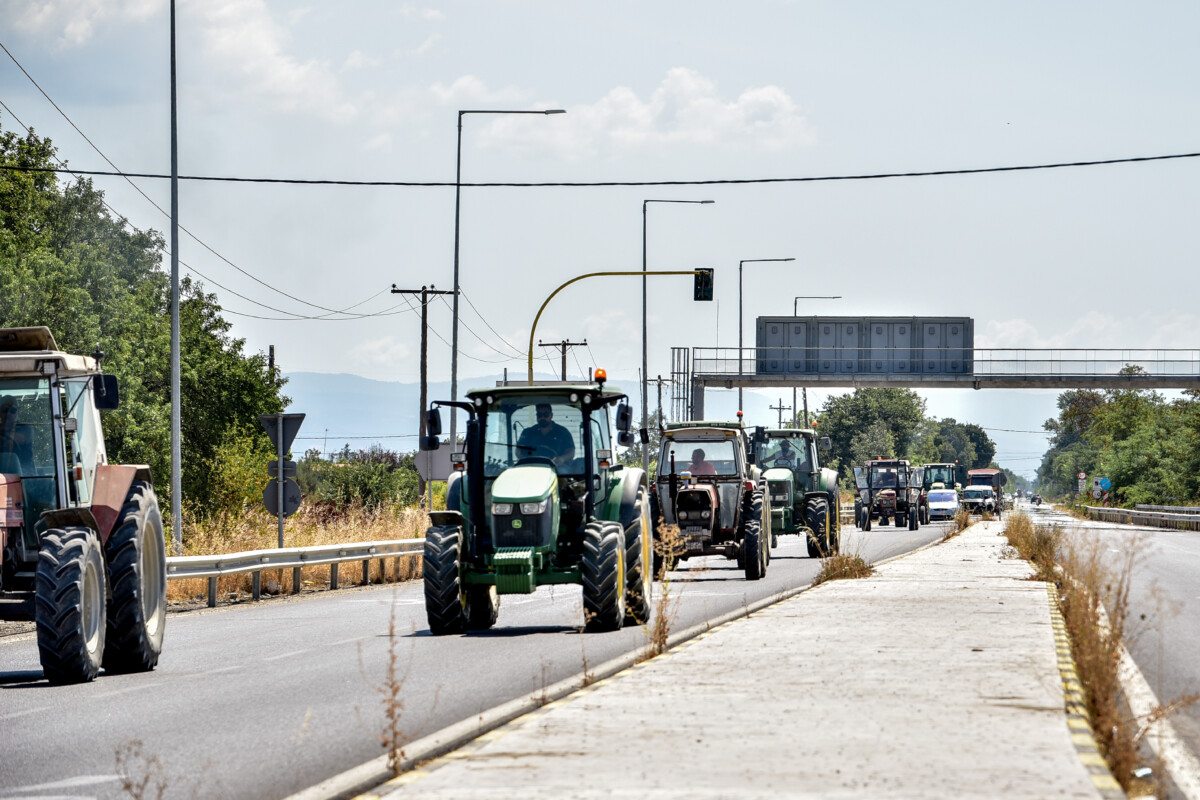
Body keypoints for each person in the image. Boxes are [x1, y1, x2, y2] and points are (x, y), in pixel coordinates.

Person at [517, 403, 576, 468]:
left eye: (546, 415)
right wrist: (527, 461)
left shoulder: (563, 432)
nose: (542, 417)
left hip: (558, 467)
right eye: (539, 415)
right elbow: (519, 451)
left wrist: (562, 458)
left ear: (551, 415)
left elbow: (571, 452)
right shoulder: (528, 432)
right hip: (533, 467)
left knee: (563, 472)